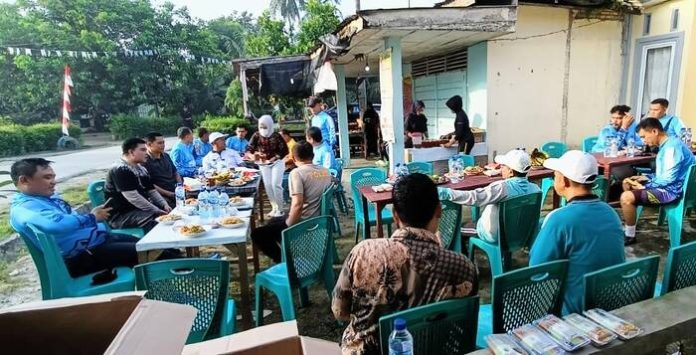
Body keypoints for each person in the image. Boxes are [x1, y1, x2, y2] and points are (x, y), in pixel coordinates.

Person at [332, 173, 478, 355]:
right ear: (439, 210)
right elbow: (462, 327)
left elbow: (339, 311)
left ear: (394, 215)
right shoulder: (463, 266)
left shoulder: (363, 252)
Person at [530, 150, 625, 315]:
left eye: (555, 176)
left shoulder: (558, 219)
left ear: (564, 181)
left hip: (576, 314)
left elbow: (537, 270)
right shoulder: (611, 213)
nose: (554, 179)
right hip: (611, 305)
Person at [9, 158, 138, 277]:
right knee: (151, 253)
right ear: (24, 180)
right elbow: (56, 224)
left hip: (95, 242)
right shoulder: (23, 208)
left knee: (146, 245)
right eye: (47, 178)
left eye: (53, 177)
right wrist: (91, 217)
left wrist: (92, 215)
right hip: (80, 257)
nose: (53, 182)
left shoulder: (46, 198)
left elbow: (70, 219)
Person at [250, 141, 332, 263]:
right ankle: (289, 251)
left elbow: (298, 205)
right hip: (320, 218)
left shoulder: (297, 173)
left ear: (293, 158)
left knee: (257, 234)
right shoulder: (325, 171)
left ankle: (283, 260)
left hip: (304, 221)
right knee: (273, 221)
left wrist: (288, 225)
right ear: (313, 155)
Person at [438, 149, 541, 243]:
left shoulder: (502, 188)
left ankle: (465, 257)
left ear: (510, 171)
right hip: (520, 234)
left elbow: (474, 197)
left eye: (503, 166)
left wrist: (445, 193)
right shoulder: (536, 189)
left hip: (497, 236)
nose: (501, 168)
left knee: (458, 229)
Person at [620, 118, 696, 245]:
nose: (644, 141)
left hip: (671, 192)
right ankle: (630, 226)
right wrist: (644, 178)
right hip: (675, 187)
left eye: (644, 137)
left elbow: (668, 179)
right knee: (629, 182)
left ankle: (629, 235)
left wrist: (645, 186)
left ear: (654, 131)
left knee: (626, 197)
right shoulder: (670, 144)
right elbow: (666, 173)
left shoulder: (672, 148)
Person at [105, 138, 172, 233]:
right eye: (143, 150)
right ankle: (166, 247)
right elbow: (134, 198)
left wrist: (164, 204)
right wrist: (156, 210)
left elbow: (151, 190)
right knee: (158, 220)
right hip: (121, 216)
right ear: (131, 152)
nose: (146, 152)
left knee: (172, 209)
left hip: (140, 209)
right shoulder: (120, 169)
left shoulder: (141, 169)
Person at [246, 115, 289, 218]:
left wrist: (274, 158)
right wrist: (253, 156)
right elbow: (249, 149)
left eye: (265, 127)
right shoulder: (256, 135)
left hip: (277, 162)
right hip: (263, 164)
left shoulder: (276, 136)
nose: (263, 129)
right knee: (268, 185)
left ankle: (280, 209)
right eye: (261, 127)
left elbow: (284, 150)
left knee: (276, 184)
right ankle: (274, 207)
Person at [142, 132, 181, 207]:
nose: (163, 145)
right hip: (161, 195)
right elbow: (150, 185)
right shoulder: (145, 161)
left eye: (163, 142)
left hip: (175, 190)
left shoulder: (166, 156)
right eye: (159, 143)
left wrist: (180, 187)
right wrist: (169, 193)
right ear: (149, 144)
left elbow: (175, 172)